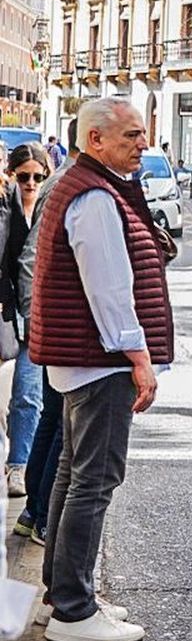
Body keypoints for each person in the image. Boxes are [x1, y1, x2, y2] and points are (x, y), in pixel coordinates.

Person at [31, 98, 175, 641]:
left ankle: (61, 594)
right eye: (132, 135)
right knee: (94, 479)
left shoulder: (88, 185)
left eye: (143, 134)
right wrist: (139, 359)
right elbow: (109, 290)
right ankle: (73, 610)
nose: (143, 144)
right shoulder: (93, 196)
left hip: (82, 359)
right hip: (99, 361)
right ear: (96, 140)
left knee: (73, 474)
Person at [12, 122, 76, 544]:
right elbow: (30, 260)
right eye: (24, 177)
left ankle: (33, 513)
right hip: (55, 324)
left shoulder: (60, 186)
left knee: (49, 415)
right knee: (53, 417)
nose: (32, 183)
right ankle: (40, 517)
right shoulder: (68, 186)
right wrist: (35, 318)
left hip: (51, 322)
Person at [2, 143, 52, 500]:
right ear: (13, 175)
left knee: (28, 392)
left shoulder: (52, 206)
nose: (31, 182)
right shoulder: (5, 207)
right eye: (24, 176)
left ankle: (19, 464)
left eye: (38, 176)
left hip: (36, 312)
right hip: (6, 309)